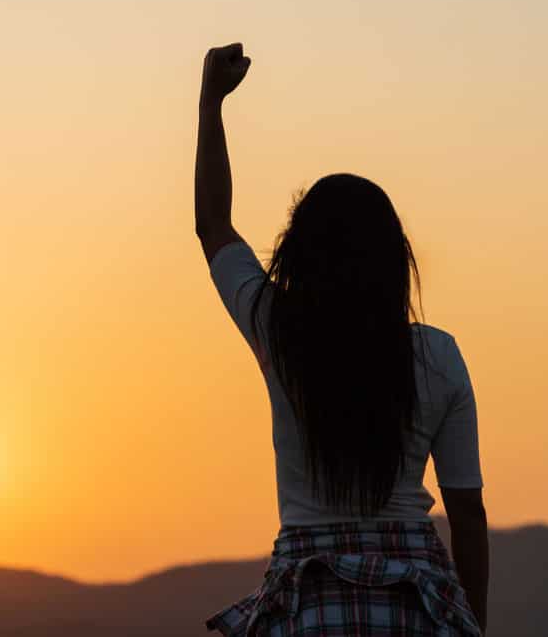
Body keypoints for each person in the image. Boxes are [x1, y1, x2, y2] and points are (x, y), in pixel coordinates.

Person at [195, 43, 489, 637]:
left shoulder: (278, 333)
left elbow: (214, 225)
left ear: (301, 257)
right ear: (394, 262)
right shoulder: (438, 356)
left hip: (306, 603)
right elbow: (467, 512)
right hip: (419, 602)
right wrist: (473, 625)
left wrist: (211, 102)